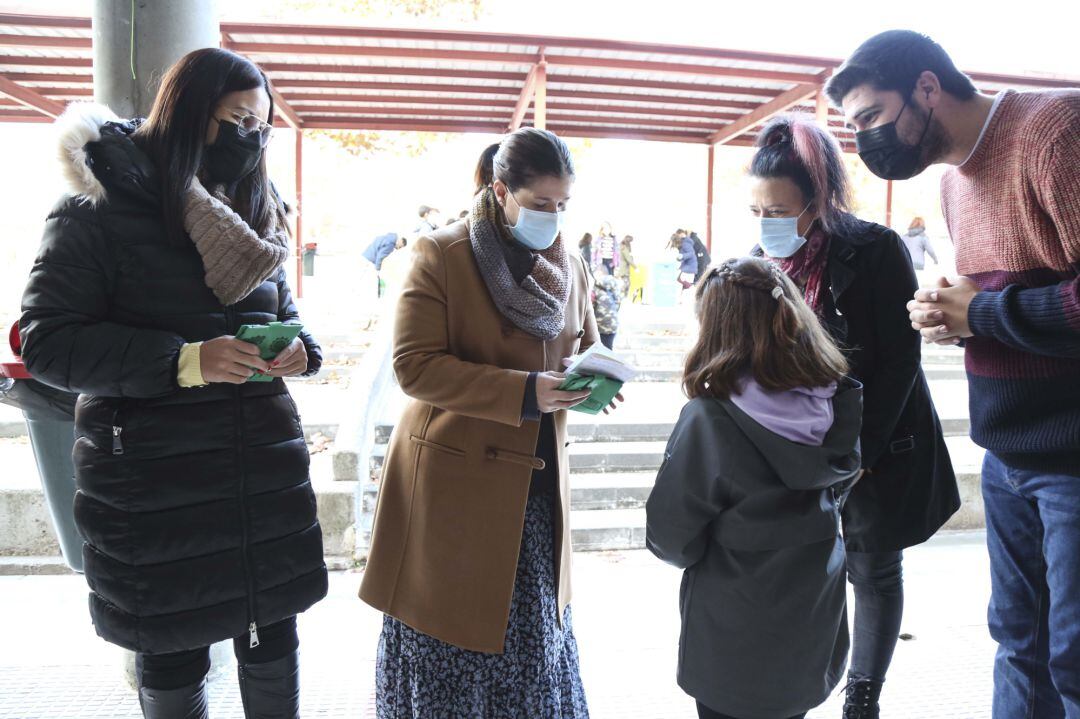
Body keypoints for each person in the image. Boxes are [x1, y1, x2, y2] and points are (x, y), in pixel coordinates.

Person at [19, 48, 328, 718]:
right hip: (153, 489)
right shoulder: (97, 206)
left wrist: (300, 348)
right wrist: (184, 360)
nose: (252, 137)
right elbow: (45, 340)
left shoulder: (256, 205)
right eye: (237, 119)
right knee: (172, 650)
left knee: (271, 635)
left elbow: (280, 311)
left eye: (262, 124)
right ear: (189, 113)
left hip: (260, 475)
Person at [828, 30, 1080, 718]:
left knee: (1073, 657)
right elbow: (999, 309)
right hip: (1008, 453)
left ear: (927, 88)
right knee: (1019, 643)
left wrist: (986, 311)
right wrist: (952, 318)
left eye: (872, 117)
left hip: (1072, 458)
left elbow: (1006, 306)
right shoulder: (951, 186)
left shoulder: (1055, 131)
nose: (866, 141)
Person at [361, 128, 621, 718]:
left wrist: (595, 378)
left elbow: (585, 341)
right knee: (450, 637)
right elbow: (415, 367)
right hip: (454, 485)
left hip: (536, 483)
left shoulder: (570, 261)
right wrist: (526, 391)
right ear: (502, 190)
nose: (552, 217)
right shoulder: (441, 253)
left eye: (562, 205)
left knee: (532, 639)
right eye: (539, 204)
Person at [748, 114, 960, 719]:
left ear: (815, 202)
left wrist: (860, 451)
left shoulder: (874, 249)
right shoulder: (757, 263)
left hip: (874, 442)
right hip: (794, 444)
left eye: (780, 210)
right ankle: (800, 679)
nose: (768, 225)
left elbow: (898, 360)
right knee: (799, 569)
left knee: (873, 566)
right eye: (757, 212)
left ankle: (862, 692)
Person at [647, 257, 862, 719]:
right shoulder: (834, 403)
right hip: (812, 618)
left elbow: (671, 537)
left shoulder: (712, 420)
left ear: (717, 330)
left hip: (733, 631)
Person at [363, 231, 408, 297]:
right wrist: (378, 269)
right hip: (369, 260)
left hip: (366, 254)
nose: (398, 249)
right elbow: (380, 257)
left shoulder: (388, 237)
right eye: (400, 247)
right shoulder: (390, 245)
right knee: (366, 280)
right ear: (400, 241)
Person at [593, 261, 622, 350]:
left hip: (599, 324)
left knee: (600, 351)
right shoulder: (615, 284)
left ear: (599, 272)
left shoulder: (595, 286)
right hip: (613, 323)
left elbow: (591, 305)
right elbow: (618, 302)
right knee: (608, 349)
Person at [672, 230, 698, 295]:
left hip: (690, 266)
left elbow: (691, 253)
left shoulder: (685, 243)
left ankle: (692, 288)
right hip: (688, 266)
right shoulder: (683, 243)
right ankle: (681, 297)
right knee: (679, 280)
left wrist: (681, 256)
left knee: (679, 280)